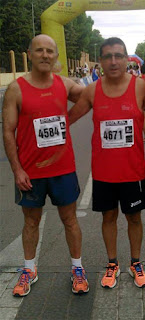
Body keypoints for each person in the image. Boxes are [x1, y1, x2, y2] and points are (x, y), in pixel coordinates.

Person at [2, 34, 89, 297]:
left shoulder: (64, 84)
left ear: (56, 57)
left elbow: (94, 98)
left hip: (62, 169)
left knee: (70, 220)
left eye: (50, 51)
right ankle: (29, 269)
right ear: (29, 54)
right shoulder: (16, 89)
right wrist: (17, 170)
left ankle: (77, 268)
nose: (45, 55)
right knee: (31, 222)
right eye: (39, 50)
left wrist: (69, 118)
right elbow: (8, 131)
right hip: (30, 172)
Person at [69, 37, 145, 289]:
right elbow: (68, 118)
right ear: (101, 61)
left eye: (118, 55)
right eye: (107, 56)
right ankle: (112, 263)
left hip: (132, 170)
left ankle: (135, 263)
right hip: (104, 172)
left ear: (127, 59)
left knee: (134, 218)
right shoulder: (93, 90)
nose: (113, 61)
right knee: (108, 217)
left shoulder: (141, 87)